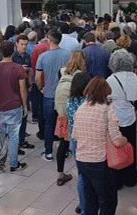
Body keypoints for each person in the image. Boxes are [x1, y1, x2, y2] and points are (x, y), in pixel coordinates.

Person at [72, 77, 128, 215]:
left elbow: (75, 135)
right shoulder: (106, 111)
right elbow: (116, 140)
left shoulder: (81, 109)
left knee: (90, 199)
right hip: (100, 163)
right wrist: (125, 140)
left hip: (82, 161)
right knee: (108, 201)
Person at [0, 40, 28, 172]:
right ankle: (13, 163)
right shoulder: (18, 68)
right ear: (13, 51)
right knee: (13, 137)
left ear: (1, 52)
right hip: (14, 106)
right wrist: (25, 106)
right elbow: (23, 90)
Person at [106, 49, 137, 189]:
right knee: (130, 147)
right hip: (130, 116)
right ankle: (131, 178)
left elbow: (108, 97)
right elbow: (135, 97)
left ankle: (117, 180)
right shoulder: (134, 77)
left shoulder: (110, 79)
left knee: (116, 149)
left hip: (116, 117)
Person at [36, 31, 71, 161]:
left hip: (49, 95)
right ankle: (65, 150)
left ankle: (48, 152)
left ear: (49, 40)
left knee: (49, 124)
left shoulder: (43, 57)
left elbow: (38, 77)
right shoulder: (68, 54)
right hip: (64, 94)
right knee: (64, 123)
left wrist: (41, 88)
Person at [54, 50, 86, 186]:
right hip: (74, 113)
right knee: (78, 145)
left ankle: (60, 174)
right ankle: (82, 174)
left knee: (63, 144)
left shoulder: (61, 71)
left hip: (61, 112)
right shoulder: (81, 76)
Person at [66, 72, 92, 214]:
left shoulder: (69, 102)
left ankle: (82, 204)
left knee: (81, 174)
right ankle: (88, 205)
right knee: (89, 175)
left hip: (74, 140)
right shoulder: (88, 102)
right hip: (88, 141)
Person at [12, 34, 35, 154]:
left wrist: (30, 84)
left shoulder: (27, 56)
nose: (24, 47)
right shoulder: (13, 57)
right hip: (16, 90)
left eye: (26, 44)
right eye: (22, 44)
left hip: (26, 88)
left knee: (25, 115)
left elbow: (30, 70)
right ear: (17, 44)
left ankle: (21, 139)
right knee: (17, 117)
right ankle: (15, 143)